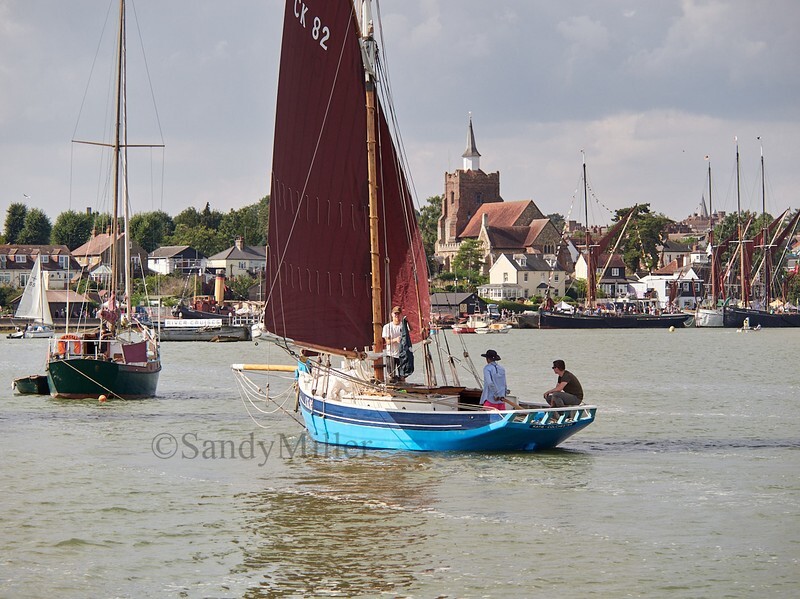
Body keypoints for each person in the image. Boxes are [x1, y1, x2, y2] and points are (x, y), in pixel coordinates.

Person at [382, 306, 403, 382]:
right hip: (391, 354)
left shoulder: (403, 326)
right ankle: (392, 387)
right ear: (392, 314)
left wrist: (407, 321)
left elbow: (411, 330)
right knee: (391, 375)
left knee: (402, 375)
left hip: (401, 354)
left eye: (398, 314)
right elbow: (387, 341)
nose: (397, 316)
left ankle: (403, 388)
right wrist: (395, 340)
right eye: (395, 314)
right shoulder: (387, 327)